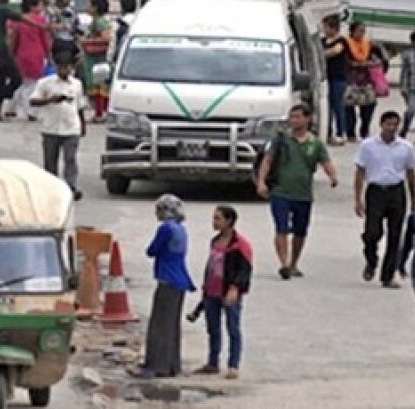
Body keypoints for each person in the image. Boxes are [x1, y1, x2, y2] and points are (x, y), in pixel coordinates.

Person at [256, 104, 338, 280]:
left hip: (303, 194)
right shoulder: (281, 140)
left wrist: (332, 176)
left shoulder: (315, 143)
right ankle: (284, 264)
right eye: (292, 117)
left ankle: (294, 262)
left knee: (300, 232)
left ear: (307, 119)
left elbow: (325, 161)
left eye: (298, 117)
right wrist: (261, 182)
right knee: (281, 228)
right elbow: (267, 161)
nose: (294, 121)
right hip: (280, 191)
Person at [134, 194, 196, 379]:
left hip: (167, 280)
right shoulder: (181, 230)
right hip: (180, 281)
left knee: (160, 325)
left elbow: (152, 250)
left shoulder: (166, 229)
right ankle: (171, 364)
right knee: (172, 325)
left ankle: (157, 365)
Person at [354, 111, 415, 288]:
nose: (391, 128)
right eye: (388, 124)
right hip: (376, 191)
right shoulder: (368, 146)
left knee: (395, 235)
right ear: (381, 125)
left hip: (396, 191)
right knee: (372, 232)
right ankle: (371, 259)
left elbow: (410, 173)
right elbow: (360, 172)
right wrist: (358, 199)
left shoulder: (405, 147)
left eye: (395, 124)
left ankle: (388, 275)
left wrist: (413, 197)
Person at [191, 206, 252, 380]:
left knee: (233, 327)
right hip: (212, 291)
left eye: (218, 219)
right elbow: (211, 266)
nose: (214, 222)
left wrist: (235, 288)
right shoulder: (215, 241)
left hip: (229, 292)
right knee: (213, 328)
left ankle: (233, 364)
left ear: (229, 221)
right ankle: (213, 362)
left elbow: (245, 270)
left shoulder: (240, 245)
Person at [31, 54, 86, 199]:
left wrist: (82, 124)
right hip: (51, 127)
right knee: (50, 161)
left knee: (70, 158)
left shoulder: (77, 84)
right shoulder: (45, 83)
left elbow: (79, 106)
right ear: (56, 68)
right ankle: (51, 187)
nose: (64, 71)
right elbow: (33, 101)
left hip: (71, 128)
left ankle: (71, 187)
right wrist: (50, 100)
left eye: (67, 68)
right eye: (61, 68)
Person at [5, 0, 53, 120]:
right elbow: (45, 40)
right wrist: (49, 53)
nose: (42, 8)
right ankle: (30, 111)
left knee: (22, 82)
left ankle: (11, 108)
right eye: (40, 5)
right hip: (36, 54)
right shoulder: (40, 21)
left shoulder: (16, 21)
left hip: (20, 54)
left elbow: (11, 38)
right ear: (33, 7)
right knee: (32, 84)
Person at [346, 21, 387, 142]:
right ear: (352, 32)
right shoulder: (346, 44)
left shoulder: (369, 45)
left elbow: (381, 60)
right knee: (348, 107)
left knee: (369, 106)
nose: (362, 34)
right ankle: (350, 131)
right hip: (350, 81)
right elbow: (345, 62)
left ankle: (364, 128)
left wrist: (372, 64)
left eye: (363, 31)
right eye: (359, 31)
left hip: (367, 80)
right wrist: (360, 64)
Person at [79, 0, 113, 121]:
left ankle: (100, 113)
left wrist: (87, 41)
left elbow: (106, 38)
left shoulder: (100, 22)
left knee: (99, 86)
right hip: (92, 57)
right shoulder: (95, 21)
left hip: (97, 58)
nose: (87, 7)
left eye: (89, 5)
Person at [322, 15, 351, 145]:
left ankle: (341, 132)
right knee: (327, 106)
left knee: (338, 105)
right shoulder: (323, 41)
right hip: (326, 77)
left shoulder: (342, 41)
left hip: (338, 78)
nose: (324, 29)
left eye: (326, 27)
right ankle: (327, 132)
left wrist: (322, 54)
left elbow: (334, 52)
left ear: (332, 28)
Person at [400, 31, 415, 137]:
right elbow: (404, 72)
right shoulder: (408, 55)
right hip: (412, 88)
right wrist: (403, 87)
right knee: (411, 109)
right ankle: (404, 129)